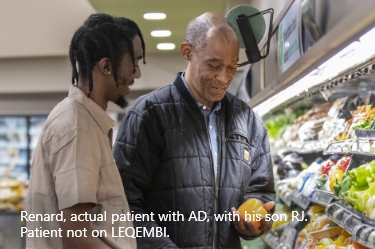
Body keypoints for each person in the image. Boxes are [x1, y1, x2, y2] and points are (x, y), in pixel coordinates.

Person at [113, 12, 275, 249]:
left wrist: (255, 221)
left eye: (232, 66)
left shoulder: (248, 120)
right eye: (214, 65)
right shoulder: (150, 114)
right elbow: (124, 204)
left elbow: (262, 192)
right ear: (187, 52)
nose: (224, 77)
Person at [26, 13, 145, 249]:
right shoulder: (77, 126)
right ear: (106, 66)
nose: (137, 73)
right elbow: (76, 234)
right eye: (135, 62)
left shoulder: (87, 122)